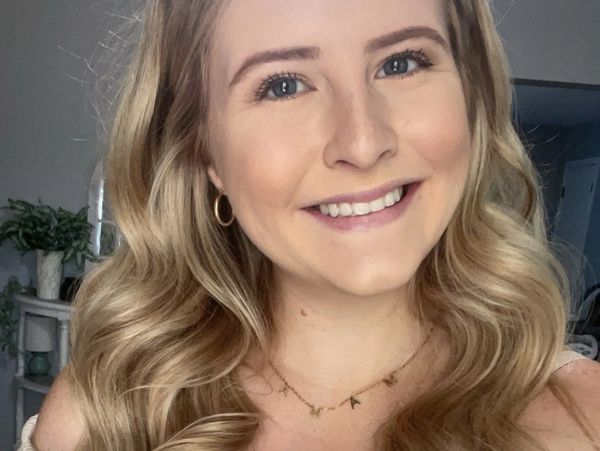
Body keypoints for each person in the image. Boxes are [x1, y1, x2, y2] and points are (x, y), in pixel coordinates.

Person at [24, 0, 600, 450]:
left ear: (472, 96)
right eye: (283, 84)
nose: (363, 143)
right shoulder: (101, 417)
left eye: (401, 62)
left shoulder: (583, 420)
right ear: (206, 151)